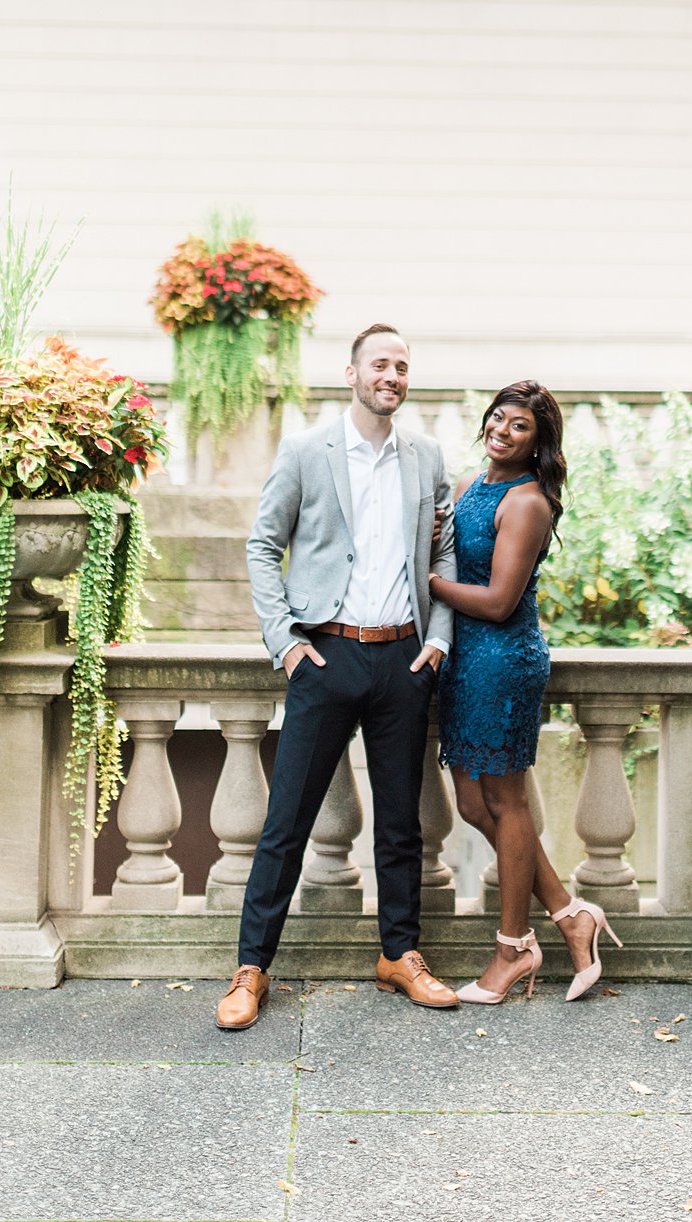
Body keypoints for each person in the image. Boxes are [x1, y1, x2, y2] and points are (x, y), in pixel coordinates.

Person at [215, 323, 461, 1029]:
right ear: (351, 373)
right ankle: (251, 969)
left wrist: (437, 642)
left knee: (401, 824)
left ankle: (400, 955)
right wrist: (285, 642)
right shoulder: (305, 452)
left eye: (403, 366)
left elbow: (442, 555)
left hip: (403, 659)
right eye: (380, 363)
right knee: (285, 821)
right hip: (324, 655)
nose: (392, 374)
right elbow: (263, 546)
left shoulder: (426, 457)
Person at [430, 380, 622, 1005]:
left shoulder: (529, 501)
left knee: (506, 803)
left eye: (520, 427)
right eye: (498, 418)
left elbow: (497, 599)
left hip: (503, 662)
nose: (502, 431)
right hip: (462, 664)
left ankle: (514, 947)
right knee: (472, 805)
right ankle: (571, 914)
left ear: (539, 444)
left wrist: (425, 582)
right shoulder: (467, 486)